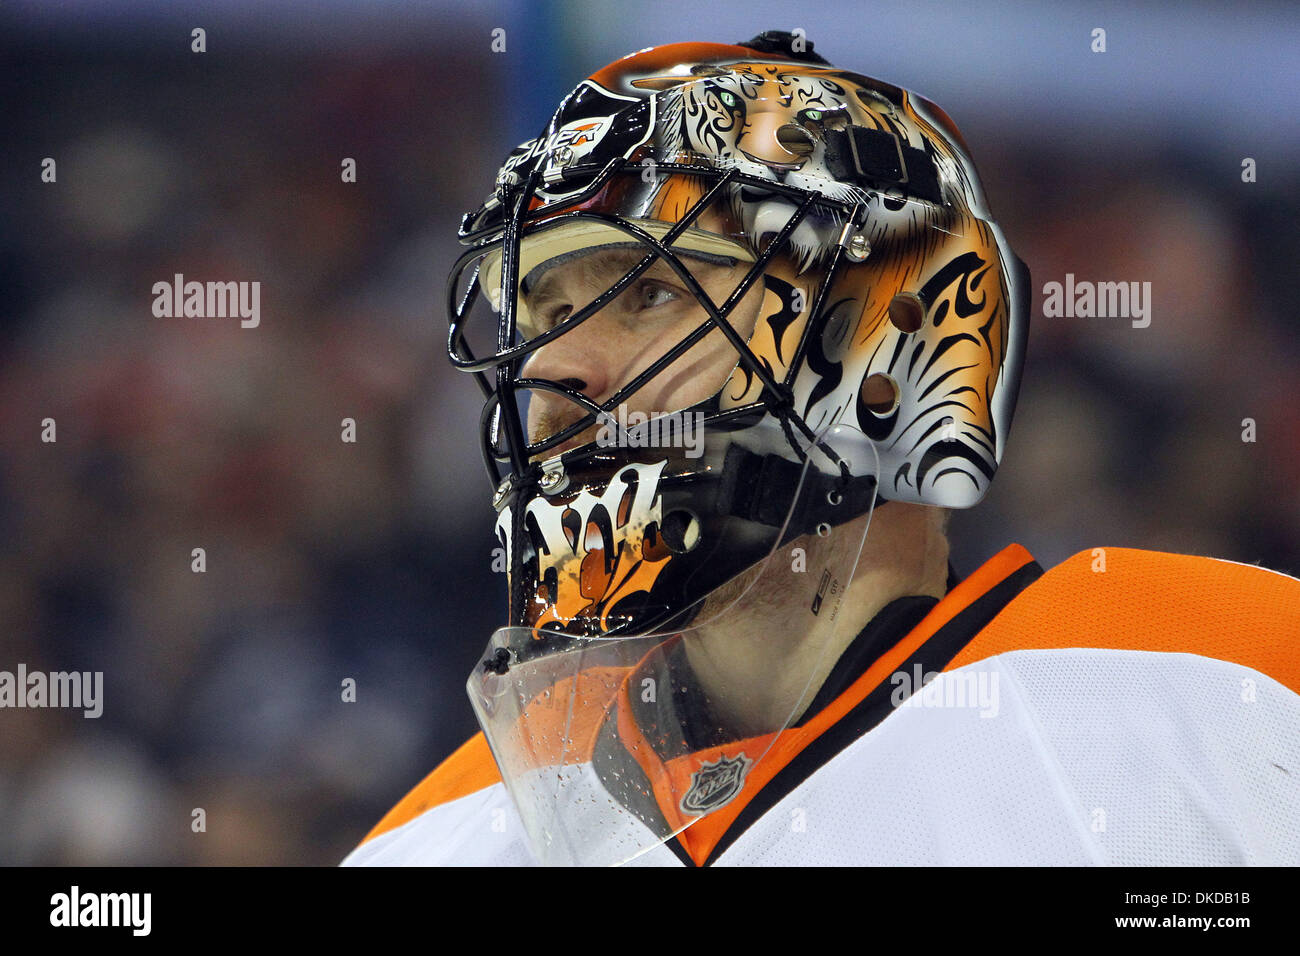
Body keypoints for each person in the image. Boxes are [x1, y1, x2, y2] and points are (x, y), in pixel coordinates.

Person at [342, 32, 1300, 867]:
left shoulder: (1228, 688)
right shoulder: (436, 841)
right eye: (544, 316)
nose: (556, 369)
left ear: (882, 340)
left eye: (647, 295)